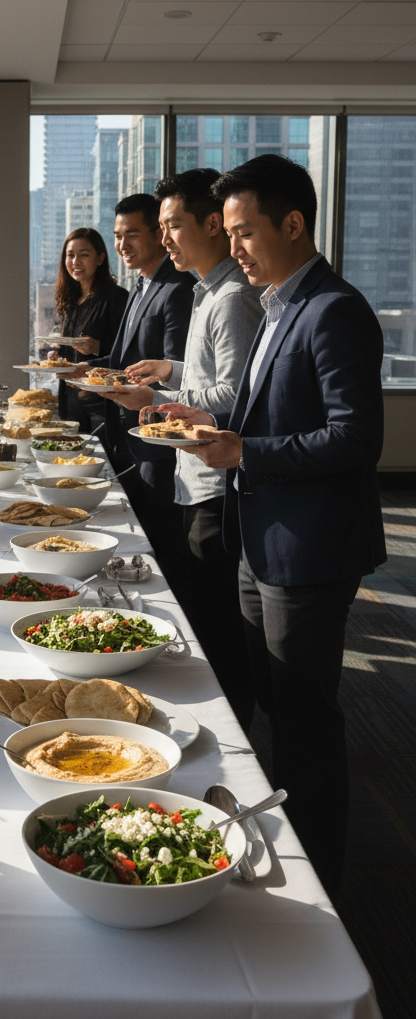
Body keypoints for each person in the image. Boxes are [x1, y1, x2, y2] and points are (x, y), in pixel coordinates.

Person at [163, 154, 386, 896]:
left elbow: (356, 438)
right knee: (272, 705)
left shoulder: (334, 308)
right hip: (259, 541)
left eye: (247, 233)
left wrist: (243, 451)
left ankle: (319, 875)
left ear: (294, 224)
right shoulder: (279, 301)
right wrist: (206, 416)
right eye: (229, 234)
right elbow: (259, 403)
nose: (236, 250)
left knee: (306, 723)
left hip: (309, 549)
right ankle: (283, 833)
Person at [93, 170, 263, 722]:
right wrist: (171, 372)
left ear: (212, 225)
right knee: (208, 613)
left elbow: (237, 392)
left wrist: (159, 391)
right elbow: (216, 373)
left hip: (215, 482)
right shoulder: (209, 290)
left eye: (171, 226)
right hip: (199, 478)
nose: (165, 240)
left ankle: (230, 735)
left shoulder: (232, 296)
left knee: (218, 625)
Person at [66, 193, 195, 593]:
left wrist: (120, 380)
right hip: (127, 435)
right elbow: (126, 361)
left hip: (158, 441)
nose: (123, 245)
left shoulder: (177, 288)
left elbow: (175, 368)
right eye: (119, 236)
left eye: (132, 235)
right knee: (141, 536)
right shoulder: (141, 285)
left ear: (159, 234)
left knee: (165, 549)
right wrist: (95, 368)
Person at [51, 227, 128, 431]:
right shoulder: (69, 301)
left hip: (101, 407)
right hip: (70, 402)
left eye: (84, 255)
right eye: (70, 255)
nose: (76, 261)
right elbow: (69, 353)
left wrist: (97, 347)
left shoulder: (117, 298)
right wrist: (56, 357)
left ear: (100, 258)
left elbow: (129, 353)